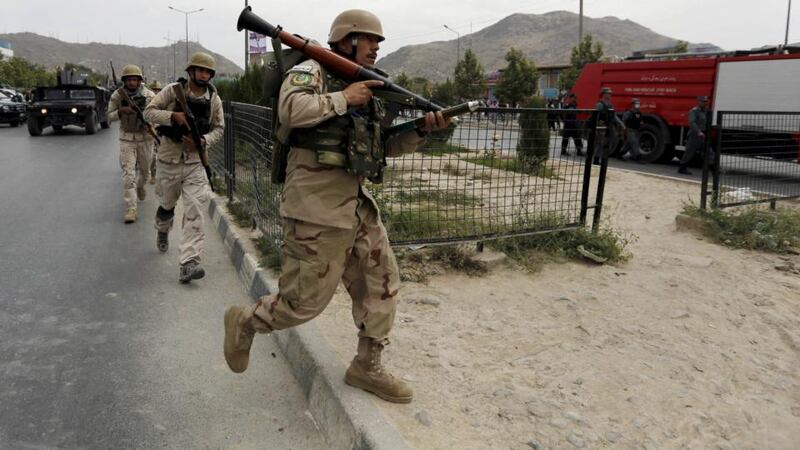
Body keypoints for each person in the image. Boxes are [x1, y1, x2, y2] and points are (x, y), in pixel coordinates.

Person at [222, 9, 449, 404]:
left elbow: (382, 147)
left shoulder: (366, 87)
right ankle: (246, 322)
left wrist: (420, 131)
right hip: (315, 210)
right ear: (347, 39)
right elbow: (290, 111)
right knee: (303, 304)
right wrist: (343, 99)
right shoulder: (312, 72)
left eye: (379, 43)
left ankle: (367, 366)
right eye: (370, 40)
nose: (377, 48)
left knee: (382, 284)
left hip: (356, 207)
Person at [143, 53, 224, 283]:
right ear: (191, 71)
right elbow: (148, 113)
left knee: (195, 212)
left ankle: (189, 263)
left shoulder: (214, 100)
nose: (204, 75)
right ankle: (162, 227)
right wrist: (173, 116)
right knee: (167, 205)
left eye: (207, 72)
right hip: (169, 160)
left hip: (195, 163)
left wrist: (204, 141)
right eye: (200, 70)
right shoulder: (172, 91)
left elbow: (219, 128)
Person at [107, 65, 155, 223]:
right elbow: (109, 117)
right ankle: (131, 209)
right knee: (129, 175)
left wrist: (150, 121)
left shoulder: (149, 95)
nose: (132, 82)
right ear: (124, 81)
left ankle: (141, 187)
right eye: (129, 79)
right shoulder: (117, 95)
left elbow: (157, 114)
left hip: (145, 138)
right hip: (127, 138)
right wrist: (121, 112)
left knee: (145, 172)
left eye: (135, 79)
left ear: (140, 80)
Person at [591, 87, 624, 165]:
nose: (610, 95)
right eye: (608, 93)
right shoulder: (600, 104)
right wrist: (596, 125)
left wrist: (621, 123)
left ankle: (603, 158)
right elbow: (595, 116)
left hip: (608, 126)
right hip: (601, 126)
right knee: (600, 143)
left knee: (607, 143)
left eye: (610, 93)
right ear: (604, 94)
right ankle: (596, 159)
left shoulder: (610, 105)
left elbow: (614, 115)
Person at [678, 96, 709, 175]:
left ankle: (710, 168)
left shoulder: (705, 111)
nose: (705, 103)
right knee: (690, 151)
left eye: (706, 102)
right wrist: (698, 132)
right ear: (699, 102)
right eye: (703, 102)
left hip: (703, 134)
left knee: (707, 151)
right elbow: (692, 123)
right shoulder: (694, 111)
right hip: (695, 134)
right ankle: (682, 168)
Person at [147, 80, 163, 184]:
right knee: (152, 156)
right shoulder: (147, 102)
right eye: (154, 90)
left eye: (158, 90)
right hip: (149, 133)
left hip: (161, 132)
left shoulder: (164, 102)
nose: (156, 92)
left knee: (161, 155)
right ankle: (153, 175)